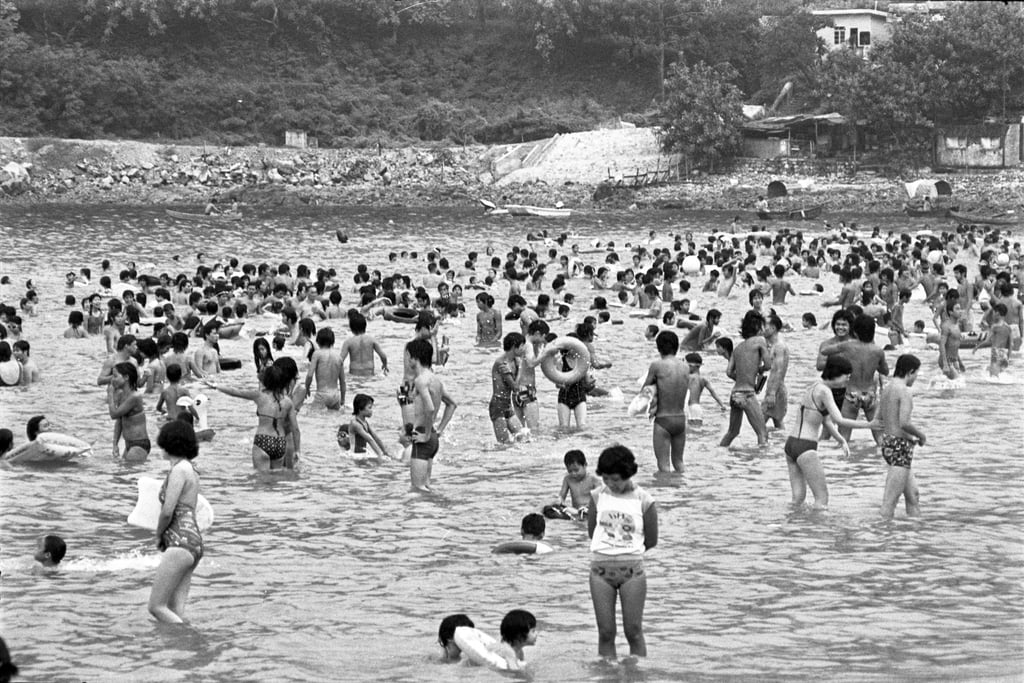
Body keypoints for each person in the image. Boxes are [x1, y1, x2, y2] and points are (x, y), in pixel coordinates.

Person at [588, 445, 657, 659]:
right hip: (600, 573)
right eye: (606, 478)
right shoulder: (597, 496)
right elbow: (592, 532)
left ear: (628, 474)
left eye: (615, 479)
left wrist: (627, 551)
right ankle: (607, 673)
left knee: (633, 631)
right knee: (605, 632)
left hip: (632, 573)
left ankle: (637, 672)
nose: (610, 484)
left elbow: (651, 540)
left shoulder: (644, 500)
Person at [784, 356, 877, 509]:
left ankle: (792, 523)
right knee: (822, 500)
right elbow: (839, 420)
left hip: (791, 444)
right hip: (805, 447)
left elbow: (826, 421)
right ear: (836, 373)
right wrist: (869, 424)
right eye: (846, 377)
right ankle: (820, 525)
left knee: (797, 499)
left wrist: (841, 440)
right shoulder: (825, 391)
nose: (847, 381)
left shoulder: (813, 387)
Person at [148, 420, 203, 624]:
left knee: (156, 607)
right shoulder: (191, 469)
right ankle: (181, 642)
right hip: (193, 541)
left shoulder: (179, 470)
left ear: (169, 443)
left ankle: (188, 636)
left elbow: (167, 511)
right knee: (175, 610)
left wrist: (159, 535)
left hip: (179, 540)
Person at [206, 365, 298, 471]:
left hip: (263, 440)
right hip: (280, 442)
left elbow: (235, 392)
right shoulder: (288, 402)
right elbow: (295, 429)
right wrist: (297, 450)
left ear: (266, 380)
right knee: (276, 476)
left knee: (260, 478)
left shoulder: (259, 396)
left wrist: (216, 386)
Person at [820, 314, 889, 444]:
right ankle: (882, 457)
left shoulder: (847, 346)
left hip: (851, 394)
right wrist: (874, 364)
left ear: (855, 331)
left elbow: (824, 351)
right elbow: (885, 371)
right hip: (870, 395)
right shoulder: (878, 351)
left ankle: (842, 458)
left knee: (844, 439)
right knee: (880, 439)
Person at [400, 339, 457, 491]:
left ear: (415, 358)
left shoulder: (420, 380)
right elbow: (452, 404)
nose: (408, 360)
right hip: (432, 437)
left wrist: (424, 436)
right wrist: (439, 430)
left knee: (417, 489)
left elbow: (430, 408)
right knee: (426, 487)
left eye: (409, 356)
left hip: (423, 436)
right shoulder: (436, 380)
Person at [878, 354, 927, 520]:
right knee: (890, 502)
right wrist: (921, 436)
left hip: (889, 443)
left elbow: (880, 419)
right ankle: (882, 531)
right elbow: (904, 422)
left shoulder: (887, 389)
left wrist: (908, 437)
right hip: (900, 447)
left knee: (913, 495)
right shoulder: (904, 391)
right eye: (916, 374)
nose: (916, 378)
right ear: (910, 372)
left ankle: (913, 529)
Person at [719, 310, 771, 448]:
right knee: (762, 433)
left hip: (735, 393)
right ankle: (762, 459)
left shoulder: (738, 348)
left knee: (732, 432)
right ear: (758, 327)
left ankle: (719, 452)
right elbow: (768, 365)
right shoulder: (760, 341)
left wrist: (743, 377)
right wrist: (758, 370)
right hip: (747, 394)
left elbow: (729, 372)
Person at [641, 330, 689, 473]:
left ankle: (665, 488)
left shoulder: (657, 365)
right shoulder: (685, 366)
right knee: (679, 463)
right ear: (677, 347)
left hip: (663, 419)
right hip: (680, 420)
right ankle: (684, 485)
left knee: (663, 466)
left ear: (658, 347)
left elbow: (644, 391)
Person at [108, 362, 150, 461]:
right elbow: (119, 421)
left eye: (115, 376)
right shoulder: (122, 395)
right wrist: (115, 444)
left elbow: (114, 414)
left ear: (126, 377)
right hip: (129, 444)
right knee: (121, 470)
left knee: (129, 470)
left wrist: (110, 394)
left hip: (139, 444)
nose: (112, 380)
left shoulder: (135, 396)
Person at [490, 332, 526, 443]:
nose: (523, 349)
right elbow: (515, 387)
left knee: (524, 437)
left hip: (507, 405)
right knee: (504, 444)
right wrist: (521, 367)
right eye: (522, 346)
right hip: (497, 406)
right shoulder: (501, 363)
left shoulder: (515, 361)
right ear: (514, 347)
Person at [761, 312, 789, 430]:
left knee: (758, 424)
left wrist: (772, 393)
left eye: (764, 326)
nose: (762, 328)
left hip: (776, 390)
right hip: (775, 389)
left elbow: (779, 370)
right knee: (778, 425)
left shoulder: (779, 346)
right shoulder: (773, 346)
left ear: (773, 328)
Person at [305, 327, 345, 410]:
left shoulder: (317, 354)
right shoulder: (338, 357)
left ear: (318, 341)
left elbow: (309, 375)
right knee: (334, 417)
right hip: (335, 395)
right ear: (333, 341)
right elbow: (342, 382)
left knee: (313, 416)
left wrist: (307, 388)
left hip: (322, 394)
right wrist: (342, 399)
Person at [339, 311, 388, 377]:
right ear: (365, 326)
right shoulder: (372, 340)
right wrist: (385, 365)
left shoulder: (348, 342)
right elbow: (383, 356)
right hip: (369, 374)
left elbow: (340, 360)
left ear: (351, 328)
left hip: (354, 374)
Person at [557, 449, 601, 519]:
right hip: (576, 512)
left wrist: (588, 508)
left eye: (576, 470)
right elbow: (562, 497)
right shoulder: (568, 479)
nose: (573, 474)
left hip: (590, 512)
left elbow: (601, 498)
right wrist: (559, 503)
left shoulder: (593, 479)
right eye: (570, 471)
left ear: (585, 465)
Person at [684, 352, 725, 425]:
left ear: (691, 366)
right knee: (697, 428)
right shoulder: (703, 379)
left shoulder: (688, 378)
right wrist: (722, 405)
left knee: (688, 429)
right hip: (697, 408)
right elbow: (713, 393)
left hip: (687, 407)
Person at [973, 303, 1012, 377]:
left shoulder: (994, 326)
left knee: (993, 378)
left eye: (993, 312)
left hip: (996, 352)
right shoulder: (1008, 327)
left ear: (997, 313)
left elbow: (987, 341)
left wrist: (976, 347)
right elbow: (1011, 345)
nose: (992, 315)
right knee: (1000, 376)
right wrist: (1008, 357)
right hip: (1004, 353)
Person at [347, 393, 391, 459]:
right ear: (360, 409)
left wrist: (385, 451)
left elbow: (375, 437)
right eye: (369, 408)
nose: (371, 411)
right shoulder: (355, 424)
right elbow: (370, 440)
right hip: (355, 456)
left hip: (362, 454)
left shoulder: (364, 422)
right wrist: (380, 455)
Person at [937, 299, 965, 380]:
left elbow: (954, 346)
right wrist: (945, 364)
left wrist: (960, 362)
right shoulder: (946, 326)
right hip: (946, 360)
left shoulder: (957, 325)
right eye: (957, 309)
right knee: (957, 380)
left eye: (960, 308)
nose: (960, 311)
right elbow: (942, 345)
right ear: (950, 312)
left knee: (956, 383)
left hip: (954, 360)